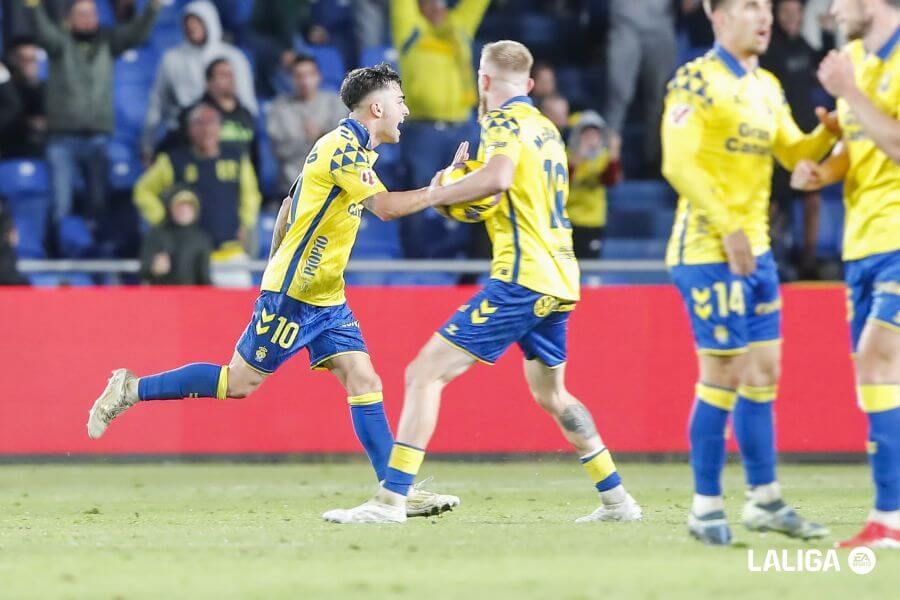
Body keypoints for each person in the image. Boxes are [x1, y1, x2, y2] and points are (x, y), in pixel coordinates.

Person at [87, 63, 475, 519]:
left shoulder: (351, 149)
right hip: (295, 294)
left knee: (365, 380)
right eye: (400, 100)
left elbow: (289, 206)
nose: (406, 110)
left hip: (326, 296)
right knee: (238, 383)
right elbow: (386, 209)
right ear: (377, 106)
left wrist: (276, 257)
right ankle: (131, 388)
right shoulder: (341, 147)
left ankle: (396, 491)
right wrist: (441, 190)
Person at [324, 41, 643, 525]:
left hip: (522, 277)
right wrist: (466, 186)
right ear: (530, 84)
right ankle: (618, 500)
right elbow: (508, 195)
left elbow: (497, 179)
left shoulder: (501, 121)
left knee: (423, 373)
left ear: (484, 81)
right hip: (561, 276)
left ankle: (390, 501)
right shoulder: (547, 130)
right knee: (552, 394)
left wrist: (441, 193)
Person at [660, 0, 838, 545]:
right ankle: (705, 508)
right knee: (723, 376)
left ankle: (763, 501)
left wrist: (827, 135)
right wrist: (727, 226)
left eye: (765, 7)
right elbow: (678, 162)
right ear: (716, 16)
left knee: (764, 376)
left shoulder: (767, 86)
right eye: (748, 7)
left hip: (757, 253)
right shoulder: (695, 80)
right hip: (708, 250)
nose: (763, 16)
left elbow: (792, 151)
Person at [790, 0, 900, 549]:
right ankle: (889, 518)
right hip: (863, 243)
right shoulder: (853, 58)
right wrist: (822, 171)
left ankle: (889, 519)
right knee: (875, 374)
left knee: (881, 359)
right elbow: (857, 150)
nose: (831, 9)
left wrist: (851, 91)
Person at [26, 0, 159, 224]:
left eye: (92, 13)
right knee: (61, 202)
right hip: (62, 137)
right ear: (70, 19)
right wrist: (34, 7)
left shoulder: (108, 42)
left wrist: (153, 9)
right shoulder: (60, 43)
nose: (88, 19)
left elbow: (136, 34)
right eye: (82, 14)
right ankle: (63, 249)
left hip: (98, 136)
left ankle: (95, 249)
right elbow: (42, 32)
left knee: (98, 201)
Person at [134, 104, 259, 288]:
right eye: (200, 124)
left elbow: (251, 194)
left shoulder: (237, 158)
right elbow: (143, 190)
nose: (207, 130)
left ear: (220, 127)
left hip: (229, 254)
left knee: (240, 313)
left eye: (212, 123)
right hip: (188, 257)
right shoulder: (174, 161)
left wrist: (246, 223)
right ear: (190, 129)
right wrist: (163, 219)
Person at [761, 0, 832, 279]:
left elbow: (825, 64)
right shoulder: (768, 51)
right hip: (779, 141)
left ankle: (808, 260)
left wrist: (827, 35)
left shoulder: (803, 47)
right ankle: (766, 258)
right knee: (773, 205)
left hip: (806, 138)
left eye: (796, 13)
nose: (792, 18)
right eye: (786, 13)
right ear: (777, 16)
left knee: (813, 200)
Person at [143, 0, 257, 162]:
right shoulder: (172, 59)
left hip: (227, 127)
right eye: (188, 23)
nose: (192, 27)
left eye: (197, 22)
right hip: (183, 130)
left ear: (209, 22)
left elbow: (247, 103)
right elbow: (158, 103)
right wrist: (148, 142)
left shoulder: (233, 57)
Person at [393, 0, 489, 188]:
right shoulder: (410, 30)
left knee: (465, 200)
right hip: (423, 132)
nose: (437, 9)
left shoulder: (459, 28)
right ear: (418, 6)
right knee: (421, 198)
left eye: (441, 3)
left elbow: (476, 4)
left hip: (463, 129)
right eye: (430, 3)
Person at [605, 0, 678, 176]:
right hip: (625, 22)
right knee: (618, 93)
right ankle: (607, 160)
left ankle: (655, 159)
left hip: (661, 24)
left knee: (660, 96)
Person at [267, 55, 347, 197]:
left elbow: (345, 144)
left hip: (332, 188)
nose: (305, 81)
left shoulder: (335, 103)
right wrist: (310, 140)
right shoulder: (279, 108)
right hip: (293, 189)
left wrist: (320, 135)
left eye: (310, 74)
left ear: (319, 76)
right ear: (291, 79)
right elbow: (279, 151)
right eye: (299, 76)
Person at [170, 58, 256, 162]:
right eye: (223, 75)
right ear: (209, 82)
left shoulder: (246, 115)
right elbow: (179, 153)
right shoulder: (194, 115)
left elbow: (254, 155)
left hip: (239, 175)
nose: (230, 79)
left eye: (231, 74)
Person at [567, 111, 621, 259]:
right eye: (587, 135)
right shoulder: (567, 155)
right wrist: (578, 156)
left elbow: (611, 181)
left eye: (594, 135)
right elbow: (563, 180)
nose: (591, 139)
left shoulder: (604, 158)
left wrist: (614, 153)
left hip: (593, 221)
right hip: (569, 220)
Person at [139, 188, 213, 286]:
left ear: (195, 211)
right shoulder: (157, 234)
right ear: (171, 209)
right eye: (179, 206)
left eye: (189, 206)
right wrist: (153, 269)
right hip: (162, 296)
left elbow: (204, 278)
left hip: (189, 297)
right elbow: (143, 271)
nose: (184, 210)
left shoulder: (202, 239)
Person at [0, 39, 47, 159]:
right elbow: (10, 112)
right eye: (25, 60)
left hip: (36, 149)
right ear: (15, 62)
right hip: (8, 148)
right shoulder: (6, 88)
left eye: (33, 60)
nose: (30, 64)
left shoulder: (44, 89)